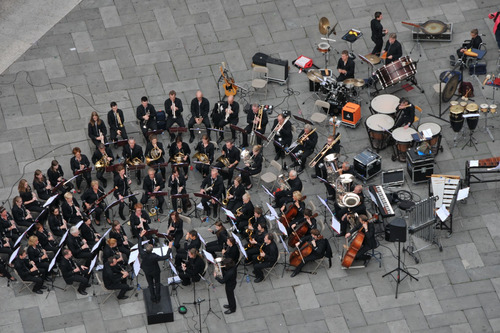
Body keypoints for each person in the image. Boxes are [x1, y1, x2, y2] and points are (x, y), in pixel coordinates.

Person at [138, 229, 172, 303]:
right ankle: (158, 297)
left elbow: (139, 245)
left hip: (147, 271)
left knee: (150, 284)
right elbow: (165, 257)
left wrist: (140, 236)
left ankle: (152, 297)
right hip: (155, 271)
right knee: (157, 283)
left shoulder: (142, 253)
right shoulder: (154, 256)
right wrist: (169, 248)